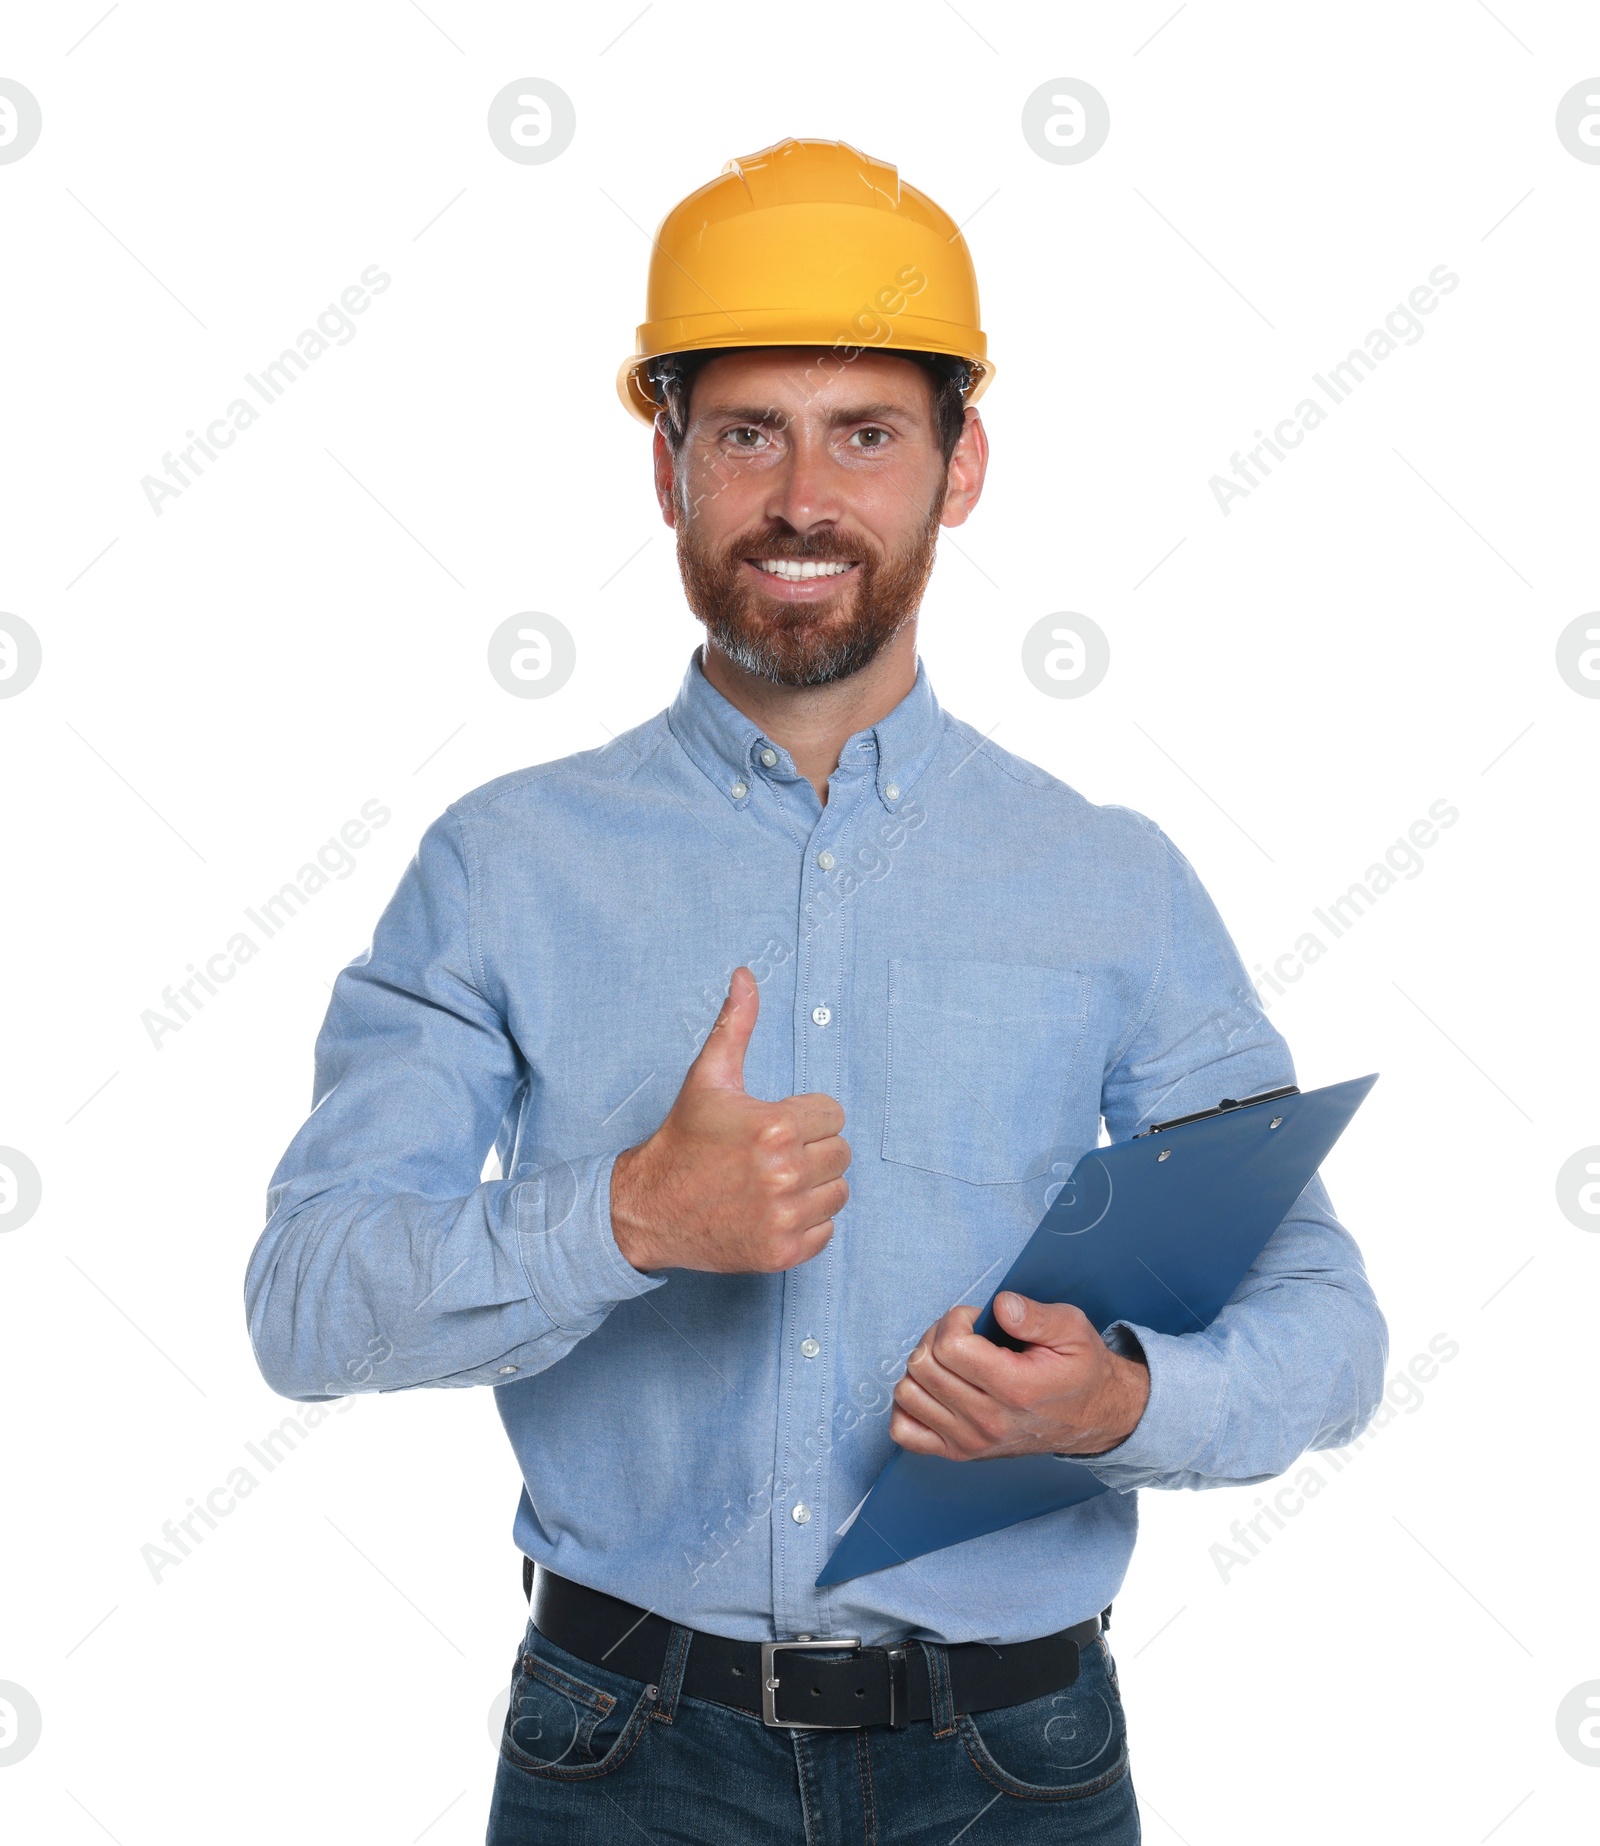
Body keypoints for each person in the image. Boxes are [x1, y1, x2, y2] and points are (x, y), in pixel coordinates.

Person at [245, 138, 1387, 1844]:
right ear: (668, 465)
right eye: (746, 432)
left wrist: (1127, 1399)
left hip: (1014, 1763)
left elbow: (1326, 1315)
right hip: (623, 1753)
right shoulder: (502, 863)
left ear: (960, 464)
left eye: (865, 432)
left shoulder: (1112, 880)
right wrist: (623, 1213)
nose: (801, 495)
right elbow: (307, 1301)